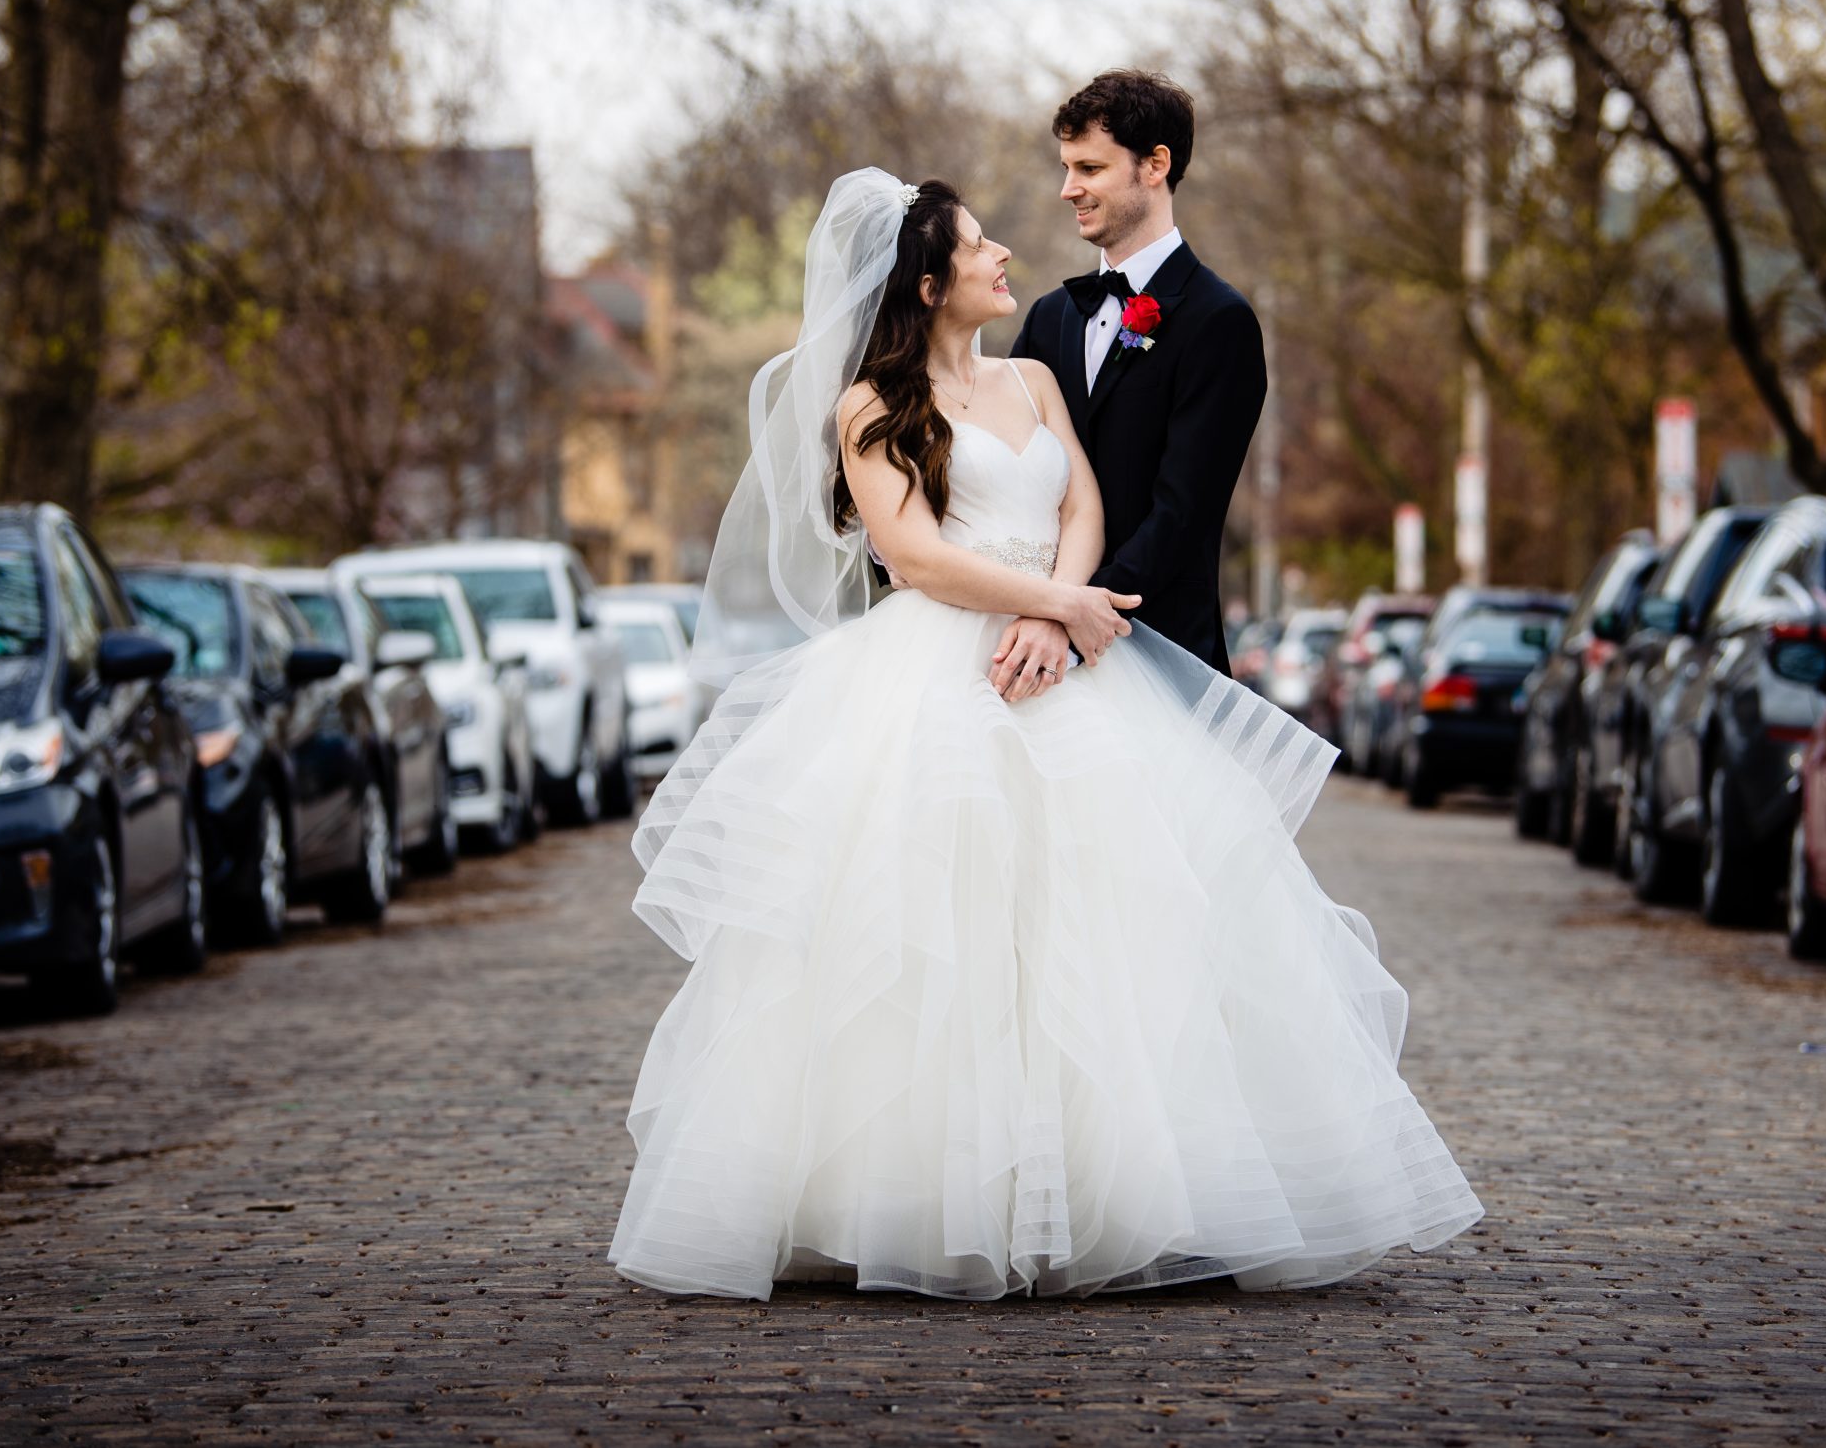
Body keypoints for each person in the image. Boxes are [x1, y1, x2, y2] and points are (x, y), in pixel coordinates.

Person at [607, 169, 1482, 1302]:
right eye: (979, 247)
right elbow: (913, 555)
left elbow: (1080, 507)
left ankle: (1112, 1194)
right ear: (929, 285)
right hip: (932, 669)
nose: (1003, 256)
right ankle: (923, 1198)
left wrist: (1059, 610)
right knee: (934, 920)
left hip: (1057, 665)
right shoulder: (870, 406)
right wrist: (1046, 608)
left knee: (1112, 917)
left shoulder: (1031, 376)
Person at [1000, 70, 1263, 686]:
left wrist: (1071, 615)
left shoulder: (1219, 322)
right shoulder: (1049, 319)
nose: (1068, 189)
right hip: (1029, 652)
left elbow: (1181, 512)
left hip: (1157, 655)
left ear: (1154, 165)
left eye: (1089, 169)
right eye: (1066, 169)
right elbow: (998, 454)